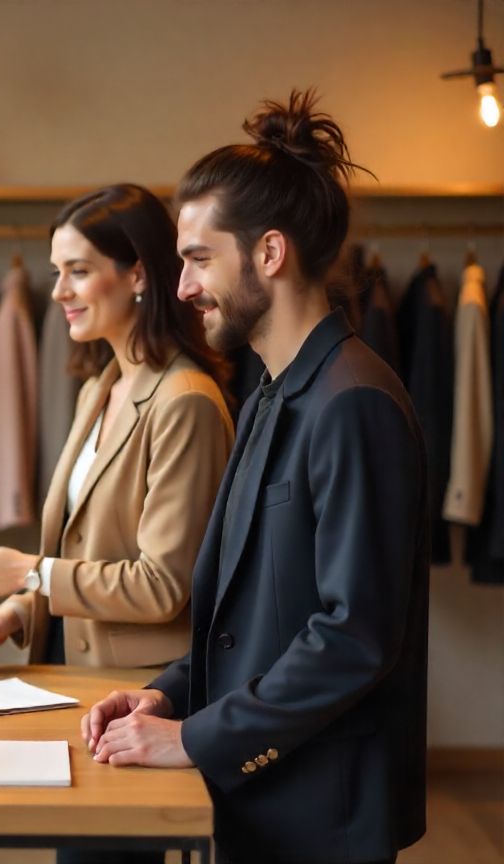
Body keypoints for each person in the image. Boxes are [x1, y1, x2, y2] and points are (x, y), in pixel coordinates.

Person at [81, 91, 429, 864]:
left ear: (269, 254)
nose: (182, 288)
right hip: (262, 803)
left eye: (200, 259)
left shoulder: (354, 402)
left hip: (321, 817)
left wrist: (194, 738)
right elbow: (253, 614)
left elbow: (352, 636)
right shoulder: (270, 390)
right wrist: (170, 691)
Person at [0, 185, 233, 685]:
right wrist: (16, 612)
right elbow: (85, 555)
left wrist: (31, 572)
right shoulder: (99, 390)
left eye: (78, 271)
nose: (58, 291)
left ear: (139, 274)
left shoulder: (185, 401)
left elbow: (163, 585)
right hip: (70, 671)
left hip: (144, 691)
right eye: (57, 272)